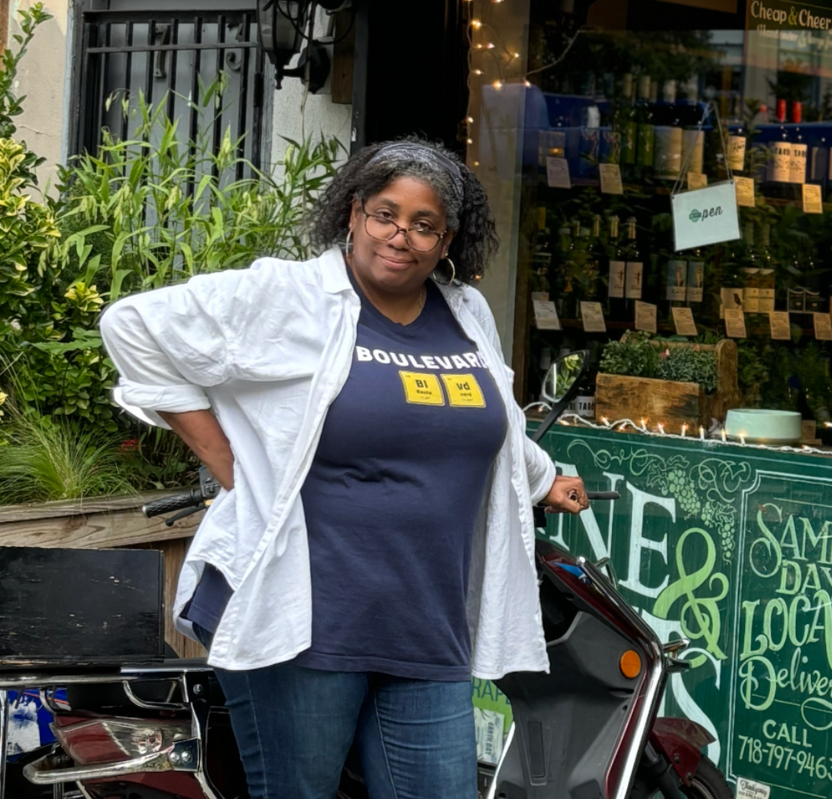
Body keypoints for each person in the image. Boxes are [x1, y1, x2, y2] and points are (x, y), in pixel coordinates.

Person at [99, 137, 589, 798]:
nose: (401, 236)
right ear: (354, 213)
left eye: (425, 225)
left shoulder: (466, 314)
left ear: (447, 242)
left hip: (425, 623)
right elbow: (133, 328)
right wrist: (228, 460)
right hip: (307, 624)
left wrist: (540, 479)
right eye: (386, 214)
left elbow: (480, 421)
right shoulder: (291, 297)